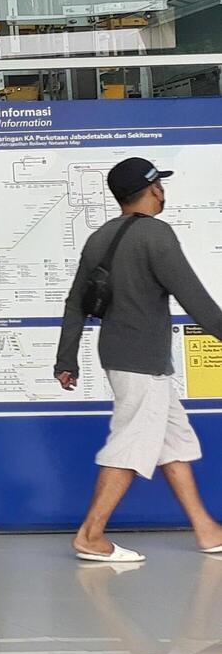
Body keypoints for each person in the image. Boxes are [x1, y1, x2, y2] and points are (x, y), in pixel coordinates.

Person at [56, 157, 222, 563]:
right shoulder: (155, 236)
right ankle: (90, 535)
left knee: (173, 442)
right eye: (160, 186)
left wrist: (67, 361)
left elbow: (75, 303)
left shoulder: (101, 237)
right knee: (130, 445)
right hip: (142, 360)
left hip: (123, 355)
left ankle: (206, 529)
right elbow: (195, 299)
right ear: (154, 190)